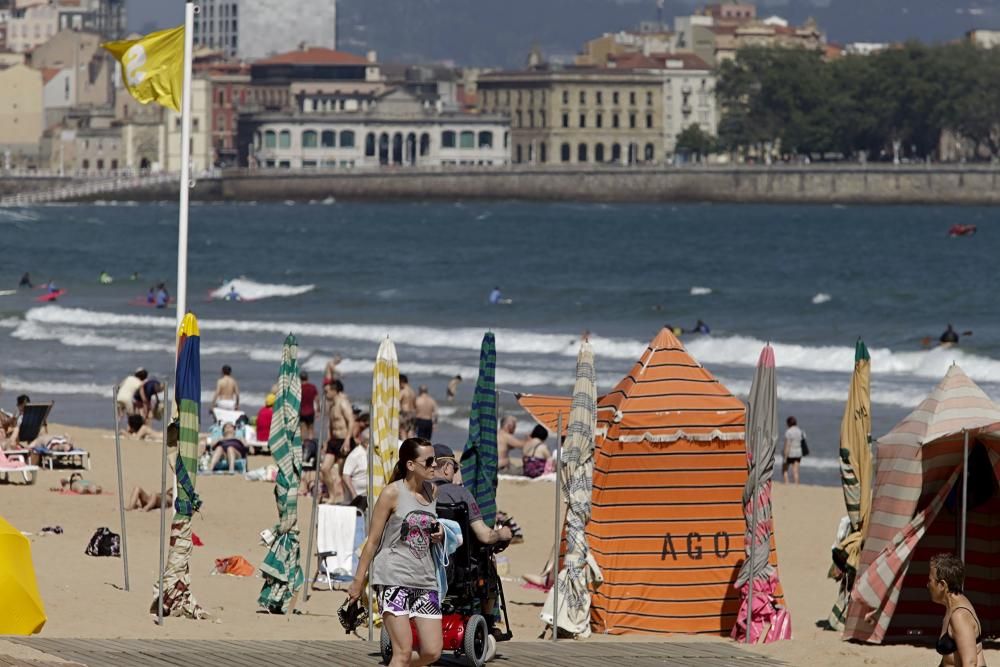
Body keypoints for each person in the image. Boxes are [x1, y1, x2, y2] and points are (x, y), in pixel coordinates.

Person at [348, 438, 443, 667]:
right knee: (402, 651)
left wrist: (439, 534)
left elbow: (424, 526)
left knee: (432, 651)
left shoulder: (433, 491)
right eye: (429, 461)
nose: (434, 466)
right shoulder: (392, 493)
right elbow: (372, 541)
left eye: (436, 460)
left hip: (425, 578)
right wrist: (358, 581)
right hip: (393, 577)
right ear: (411, 465)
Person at [432, 444, 512, 546]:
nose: (455, 473)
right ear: (446, 468)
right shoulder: (461, 493)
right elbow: (485, 536)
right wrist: (501, 534)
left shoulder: (416, 491)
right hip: (457, 558)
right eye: (455, 468)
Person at [928, 553, 987, 667]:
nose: (928, 585)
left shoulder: (959, 615)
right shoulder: (952, 606)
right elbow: (949, 658)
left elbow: (970, 663)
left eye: (930, 580)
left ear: (942, 585)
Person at [321, 378, 354, 503]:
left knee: (342, 472)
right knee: (324, 469)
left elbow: (351, 421)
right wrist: (327, 441)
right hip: (333, 441)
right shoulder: (331, 405)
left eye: (327, 391)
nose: (326, 393)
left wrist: (347, 440)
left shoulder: (343, 403)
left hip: (343, 440)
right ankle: (332, 495)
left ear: (334, 390)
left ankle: (347, 497)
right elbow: (330, 424)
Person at [342, 426, 370, 503]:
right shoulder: (355, 455)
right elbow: (345, 476)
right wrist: (354, 494)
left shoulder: (373, 453)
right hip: (358, 497)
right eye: (368, 441)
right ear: (363, 441)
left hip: (370, 495)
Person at [783, 416, 804, 485]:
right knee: (796, 471)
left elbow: (787, 445)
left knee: (785, 469)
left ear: (788, 423)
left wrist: (785, 456)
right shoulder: (800, 431)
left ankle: (786, 484)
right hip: (798, 452)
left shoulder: (789, 431)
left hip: (790, 453)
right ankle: (797, 484)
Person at [299, 371, 319, 441]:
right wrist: (318, 410)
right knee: (311, 429)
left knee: (302, 430)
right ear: (307, 378)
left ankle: (303, 446)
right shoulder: (312, 387)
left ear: (300, 378)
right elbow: (317, 399)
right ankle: (310, 444)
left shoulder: (299, 388)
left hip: (301, 412)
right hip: (310, 411)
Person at [399, 374, 416, 438]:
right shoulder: (413, 391)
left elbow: (397, 400)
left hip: (405, 414)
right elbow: (415, 404)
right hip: (413, 413)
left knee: (402, 431)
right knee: (410, 431)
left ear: (402, 381)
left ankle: (404, 446)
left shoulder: (403, 391)